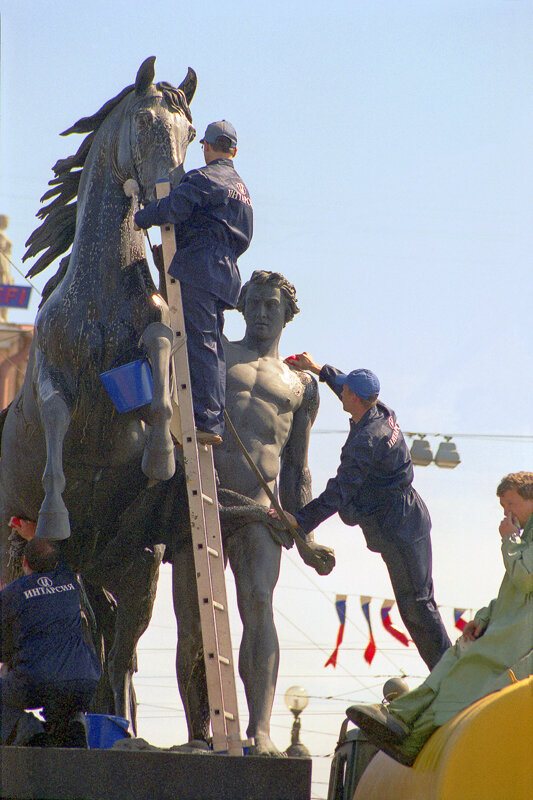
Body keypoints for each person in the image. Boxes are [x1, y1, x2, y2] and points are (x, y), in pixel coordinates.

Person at [172, 271, 327, 755]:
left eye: (271, 306)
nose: (262, 313)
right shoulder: (214, 351)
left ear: (287, 315)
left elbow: (298, 466)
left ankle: (259, 730)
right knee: (195, 619)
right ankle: (200, 733)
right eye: (254, 303)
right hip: (202, 500)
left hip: (261, 511)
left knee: (259, 603)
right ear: (241, 307)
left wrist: (305, 528)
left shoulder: (302, 386)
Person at [270, 353, 451, 670]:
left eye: (345, 391)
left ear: (353, 397)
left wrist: (300, 519)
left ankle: (448, 673)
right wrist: (317, 369)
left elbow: (340, 491)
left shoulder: (366, 440)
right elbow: (342, 382)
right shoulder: (379, 408)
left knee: (416, 606)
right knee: (421, 602)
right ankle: (447, 669)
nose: (342, 393)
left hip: (399, 526)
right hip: (409, 513)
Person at [346, 471, 533, 766]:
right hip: (502, 632)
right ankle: (405, 723)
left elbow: (526, 579)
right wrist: (483, 617)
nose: (507, 513)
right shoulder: (524, 541)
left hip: (516, 643)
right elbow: (509, 593)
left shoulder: (519, 541)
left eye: (511, 504)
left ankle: (408, 726)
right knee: (453, 661)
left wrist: (508, 539)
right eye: (503, 508)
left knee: (462, 676)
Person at [134, 120, 253, 446]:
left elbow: (174, 208)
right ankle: (211, 420)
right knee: (212, 344)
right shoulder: (243, 191)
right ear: (235, 151)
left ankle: (206, 422)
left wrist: (140, 216)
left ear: (206, 147)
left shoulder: (204, 178)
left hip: (201, 268)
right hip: (227, 274)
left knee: (199, 344)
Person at [0, 537, 101, 747]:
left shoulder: (12, 593)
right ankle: (73, 723)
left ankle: (29, 729)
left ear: (24, 561)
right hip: (85, 681)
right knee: (63, 691)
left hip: (37, 682)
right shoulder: (71, 581)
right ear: (56, 563)